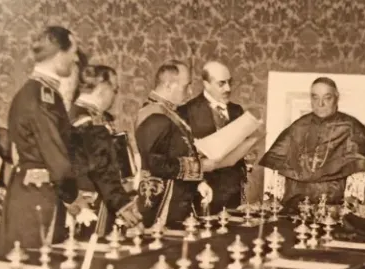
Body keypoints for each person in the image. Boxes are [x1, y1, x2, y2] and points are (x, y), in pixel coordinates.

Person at [0, 26, 88, 255]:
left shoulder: (36, 92)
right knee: (35, 268)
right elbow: (55, 155)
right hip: (38, 201)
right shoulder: (43, 97)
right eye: (73, 52)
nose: (75, 59)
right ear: (59, 54)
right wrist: (75, 199)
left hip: (34, 194)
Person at [259, 77, 365, 211]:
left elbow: (360, 169)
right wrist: (273, 198)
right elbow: (279, 167)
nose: (320, 104)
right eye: (315, 98)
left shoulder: (351, 128)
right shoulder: (299, 126)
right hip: (296, 208)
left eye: (327, 98)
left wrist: (350, 203)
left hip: (337, 208)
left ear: (336, 98)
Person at [134, 61, 215, 227]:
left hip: (177, 201)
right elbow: (155, 164)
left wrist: (199, 182)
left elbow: (178, 152)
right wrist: (200, 167)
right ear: (168, 85)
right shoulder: (154, 115)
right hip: (161, 205)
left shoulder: (169, 112)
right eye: (186, 86)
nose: (190, 92)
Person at [68, 65, 141, 236]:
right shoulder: (90, 122)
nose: (114, 96)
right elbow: (102, 168)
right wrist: (123, 205)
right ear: (103, 88)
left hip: (79, 198)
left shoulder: (72, 113)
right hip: (92, 201)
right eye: (114, 89)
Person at [178, 61, 247, 213]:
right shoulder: (186, 112)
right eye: (221, 84)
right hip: (203, 190)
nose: (228, 88)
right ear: (206, 84)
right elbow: (183, 155)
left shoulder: (236, 110)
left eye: (229, 82)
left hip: (233, 191)